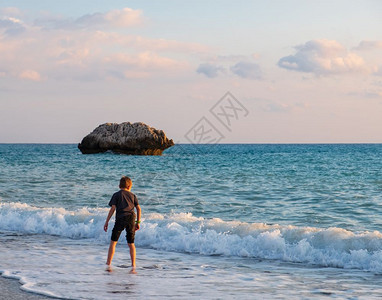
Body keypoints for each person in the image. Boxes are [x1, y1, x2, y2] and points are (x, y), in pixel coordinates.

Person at [104, 176, 141, 271]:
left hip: (120, 218)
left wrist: (107, 221)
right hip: (131, 218)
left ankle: (108, 263)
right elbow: (138, 209)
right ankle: (133, 265)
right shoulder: (133, 195)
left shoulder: (116, 195)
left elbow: (112, 209)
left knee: (113, 242)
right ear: (129, 186)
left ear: (120, 185)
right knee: (131, 243)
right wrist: (138, 222)